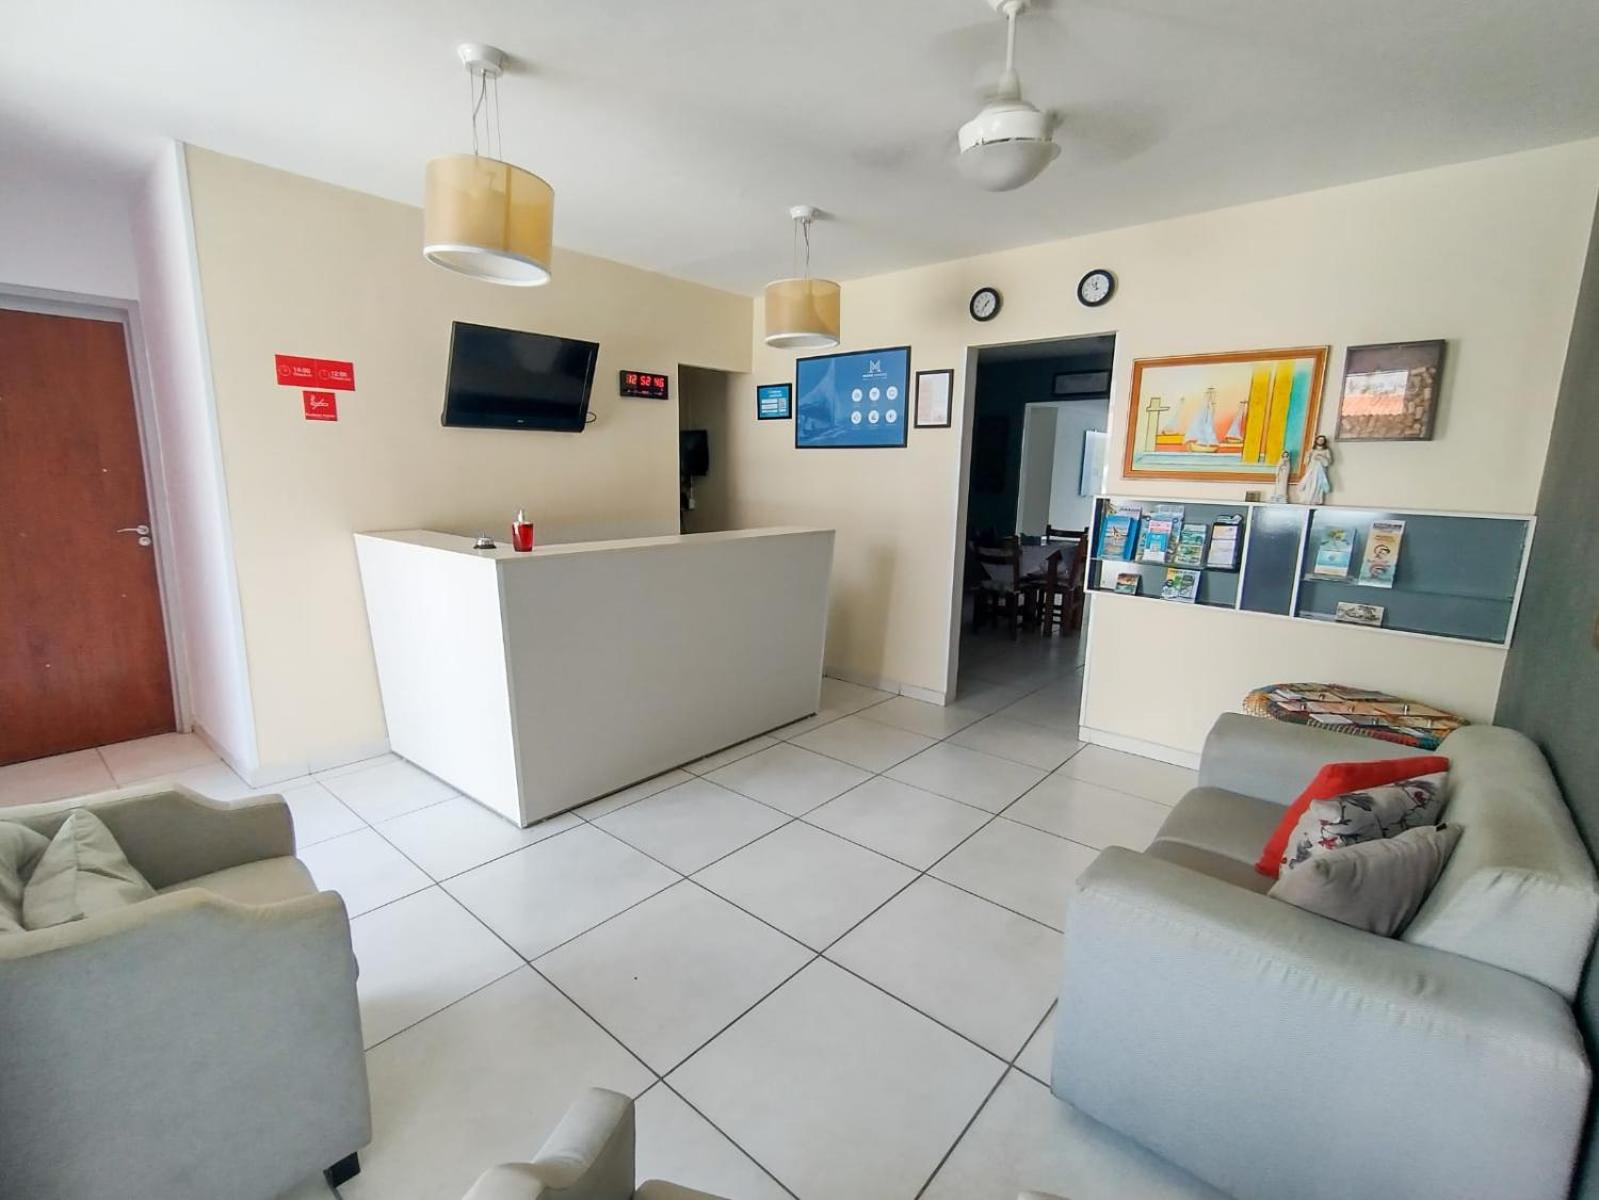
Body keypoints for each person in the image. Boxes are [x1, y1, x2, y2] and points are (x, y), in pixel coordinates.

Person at [1296, 434, 1334, 505]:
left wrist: (1321, 457)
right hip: (1311, 470)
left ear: (1324, 441)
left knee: (1318, 486)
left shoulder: (1326, 451)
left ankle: (1316, 500)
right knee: (1309, 484)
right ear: (1316, 441)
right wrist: (1308, 455)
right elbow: (1306, 462)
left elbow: (1328, 462)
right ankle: (1307, 499)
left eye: (1322, 440)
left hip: (1320, 471)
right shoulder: (1312, 450)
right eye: (1319, 440)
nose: (1320, 441)